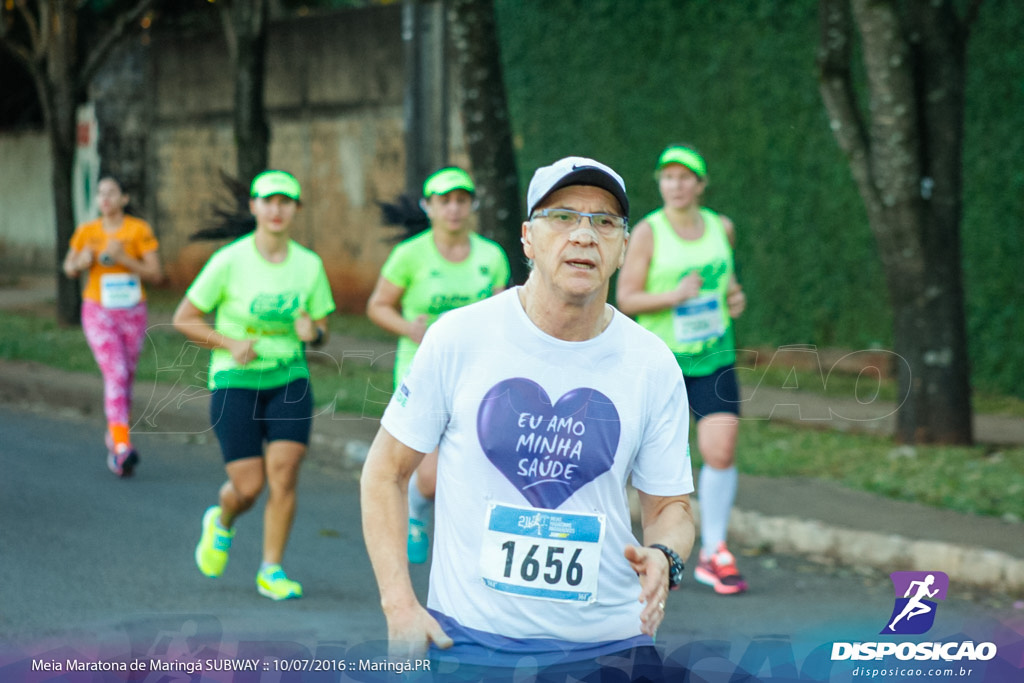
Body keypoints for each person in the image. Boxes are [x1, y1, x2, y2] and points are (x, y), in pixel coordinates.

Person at [360, 156, 694, 679]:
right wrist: (399, 605)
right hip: (468, 642)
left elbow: (671, 503)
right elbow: (385, 472)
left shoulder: (652, 364)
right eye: (562, 217)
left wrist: (664, 556)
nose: (584, 236)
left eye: (605, 222)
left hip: (607, 645)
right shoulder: (459, 338)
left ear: (623, 246)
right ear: (527, 238)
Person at [172, 170, 336, 601]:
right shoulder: (230, 260)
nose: (277, 209)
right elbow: (184, 318)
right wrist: (228, 342)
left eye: (286, 201)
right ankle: (222, 521)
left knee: (284, 474)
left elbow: (321, 328)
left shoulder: (309, 265)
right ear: (254, 207)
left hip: (289, 378)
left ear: (296, 209)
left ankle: (271, 569)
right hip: (234, 380)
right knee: (248, 487)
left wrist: (313, 333)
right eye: (269, 200)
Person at [616, 144, 748, 596]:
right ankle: (635, 548)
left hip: (714, 356)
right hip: (661, 362)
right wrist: (672, 297)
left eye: (685, 177)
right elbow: (626, 298)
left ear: (700, 184)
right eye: (668, 177)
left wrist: (735, 297)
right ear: (660, 184)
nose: (676, 185)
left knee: (721, 450)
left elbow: (727, 283)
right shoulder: (649, 232)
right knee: (643, 461)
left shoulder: (721, 227)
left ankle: (714, 550)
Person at [366, 167, 510, 564]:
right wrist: (408, 328)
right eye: (444, 200)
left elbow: (500, 315)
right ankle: (416, 510)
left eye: (462, 200)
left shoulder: (491, 256)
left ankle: (466, 548)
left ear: (472, 206)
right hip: (423, 374)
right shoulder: (409, 255)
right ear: (428, 207)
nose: (454, 208)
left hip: (479, 375)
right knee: (427, 481)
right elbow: (377, 306)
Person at [62, 175, 163, 477]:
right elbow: (68, 267)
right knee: (116, 371)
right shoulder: (86, 231)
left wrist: (123, 258)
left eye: (112, 193)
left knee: (126, 376)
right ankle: (122, 448)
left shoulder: (138, 230)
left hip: (132, 311)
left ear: (124, 198)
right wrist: (79, 262)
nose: (105, 199)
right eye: (100, 194)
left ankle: (116, 436)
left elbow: (156, 273)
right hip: (98, 310)